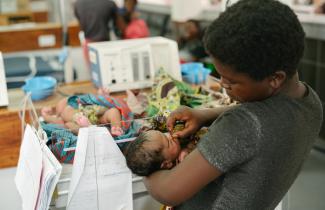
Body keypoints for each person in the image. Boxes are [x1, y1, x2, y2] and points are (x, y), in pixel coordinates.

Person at [142, 1, 323, 210]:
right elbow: (267, 116)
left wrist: (142, 161)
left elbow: (168, 191)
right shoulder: (311, 103)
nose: (221, 84)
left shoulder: (240, 126)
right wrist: (204, 115)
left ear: (274, 78)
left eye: (231, 81)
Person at [124, 127, 207, 176]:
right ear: (167, 163)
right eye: (169, 142)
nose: (170, 136)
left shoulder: (174, 151)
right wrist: (189, 149)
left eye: (165, 135)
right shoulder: (182, 163)